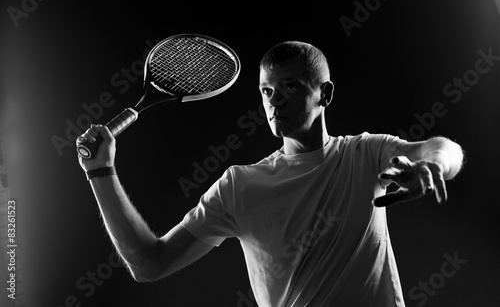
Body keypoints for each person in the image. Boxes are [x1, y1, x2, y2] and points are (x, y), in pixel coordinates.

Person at [77, 41, 464, 307]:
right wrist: (101, 172)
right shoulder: (239, 186)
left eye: (289, 86)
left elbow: (444, 148)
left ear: (324, 94)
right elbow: (148, 264)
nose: (274, 100)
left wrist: (434, 164)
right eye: (266, 90)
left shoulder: (364, 153)